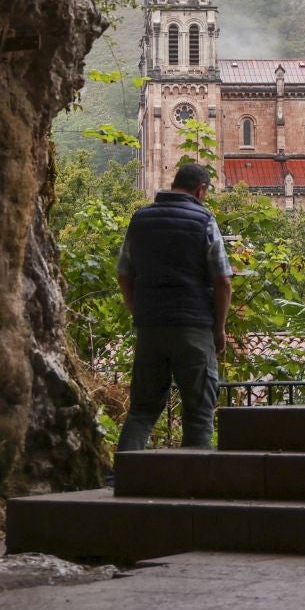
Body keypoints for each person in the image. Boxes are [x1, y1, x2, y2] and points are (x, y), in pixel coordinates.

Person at [114, 162, 233, 451]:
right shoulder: (203, 219)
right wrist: (219, 328)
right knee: (199, 412)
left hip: (151, 328)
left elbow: (123, 272)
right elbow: (223, 279)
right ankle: (192, 484)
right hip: (193, 328)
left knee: (142, 410)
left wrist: (137, 311)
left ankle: (124, 479)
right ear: (200, 190)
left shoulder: (140, 218)